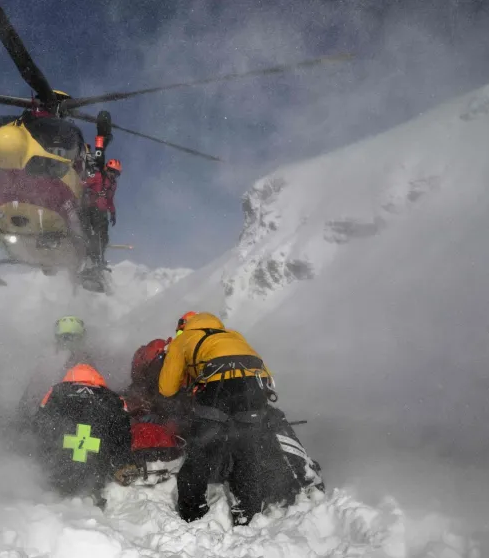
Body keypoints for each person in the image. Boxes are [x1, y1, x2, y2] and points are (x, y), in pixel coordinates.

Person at [158, 311, 323, 525]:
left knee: (201, 450)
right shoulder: (233, 335)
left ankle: (193, 512)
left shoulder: (183, 340)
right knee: (247, 452)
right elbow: (267, 374)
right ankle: (248, 511)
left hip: (218, 388)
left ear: (184, 326)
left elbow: (167, 388)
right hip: (254, 389)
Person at [33, 363, 133, 508]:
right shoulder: (113, 398)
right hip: (95, 471)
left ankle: (57, 492)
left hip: (57, 469)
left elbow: (39, 426)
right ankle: (91, 494)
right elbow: (122, 434)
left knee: (58, 478)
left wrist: (42, 458)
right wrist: (122, 463)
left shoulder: (55, 392)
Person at [80, 158, 120, 270]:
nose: (113, 175)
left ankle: (97, 259)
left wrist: (113, 213)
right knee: (94, 235)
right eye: (112, 171)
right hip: (90, 209)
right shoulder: (98, 176)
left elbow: (110, 200)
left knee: (104, 237)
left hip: (102, 213)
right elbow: (83, 184)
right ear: (107, 169)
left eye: (116, 173)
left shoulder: (113, 185)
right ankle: (91, 258)